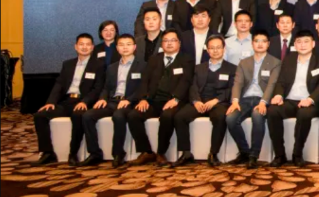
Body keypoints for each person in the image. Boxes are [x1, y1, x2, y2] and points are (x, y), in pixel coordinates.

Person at [32, 34, 104, 167]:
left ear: (92, 47)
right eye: (81, 44)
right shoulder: (68, 64)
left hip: (83, 102)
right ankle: (47, 153)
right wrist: (50, 102)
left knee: (78, 116)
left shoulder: (99, 65)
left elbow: (97, 88)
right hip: (67, 101)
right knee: (40, 116)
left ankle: (72, 153)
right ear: (76, 47)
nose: (84, 47)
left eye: (88, 44)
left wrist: (85, 102)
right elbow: (59, 85)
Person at [128, 29, 194, 166]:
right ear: (162, 44)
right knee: (134, 115)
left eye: (173, 40)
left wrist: (176, 98)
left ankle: (161, 153)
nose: (169, 43)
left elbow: (186, 81)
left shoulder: (186, 59)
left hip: (174, 100)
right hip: (154, 100)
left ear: (179, 43)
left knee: (167, 116)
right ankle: (146, 152)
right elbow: (145, 80)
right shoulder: (154, 59)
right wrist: (143, 99)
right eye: (166, 41)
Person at [81, 34, 148, 168]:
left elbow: (143, 88)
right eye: (121, 45)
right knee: (87, 115)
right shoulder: (112, 67)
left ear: (134, 47)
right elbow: (106, 87)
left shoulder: (143, 66)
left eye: (128, 44)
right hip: (112, 102)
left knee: (118, 116)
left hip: (131, 103)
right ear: (117, 48)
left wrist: (129, 100)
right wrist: (102, 98)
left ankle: (118, 153)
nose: (125, 47)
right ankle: (94, 153)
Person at [171, 34, 237, 168]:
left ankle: (213, 153)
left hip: (219, 102)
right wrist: (196, 101)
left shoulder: (232, 68)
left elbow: (231, 89)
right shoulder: (198, 68)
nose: (215, 50)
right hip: (200, 101)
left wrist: (216, 100)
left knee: (220, 117)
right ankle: (186, 153)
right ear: (207, 50)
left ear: (224, 49)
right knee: (179, 116)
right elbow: (192, 86)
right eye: (212, 48)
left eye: (218, 47)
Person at [267, 30, 319, 167]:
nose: (302, 45)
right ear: (294, 45)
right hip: (290, 101)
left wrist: (310, 99)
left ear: (313, 44)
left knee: (304, 114)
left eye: (306, 42)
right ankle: (279, 155)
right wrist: (278, 95)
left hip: (310, 102)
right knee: (272, 111)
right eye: (299, 42)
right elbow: (281, 81)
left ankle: (297, 154)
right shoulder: (289, 59)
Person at [226, 30, 282, 169]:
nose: (260, 44)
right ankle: (244, 151)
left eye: (263, 41)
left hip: (262, 99)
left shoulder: (275, 62)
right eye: (257, 41)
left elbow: (272, 84)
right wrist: (235, 101)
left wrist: (263, 102)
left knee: (258, 115)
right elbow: (237, 83)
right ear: (252, 44)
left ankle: (254, 155)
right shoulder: (244, 63)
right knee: (230, 118)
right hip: (245, 99)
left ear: (268, 44)